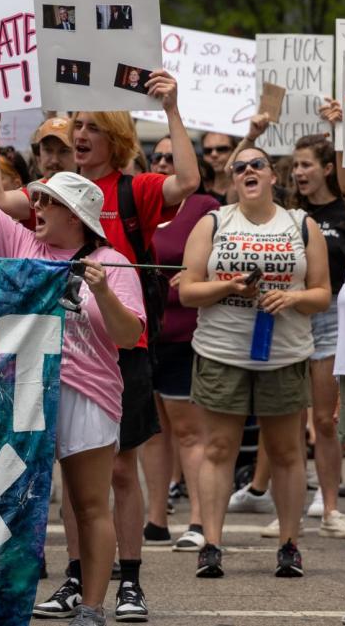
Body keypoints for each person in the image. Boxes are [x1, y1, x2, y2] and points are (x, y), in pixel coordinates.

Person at [0, 108, 144, 626]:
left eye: (48, 202)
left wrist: (103, 290)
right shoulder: (22, 244)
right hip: (25, 390)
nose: (36, 207)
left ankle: (94, 607)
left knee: (88, 504)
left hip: (86, 393)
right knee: (7, 503)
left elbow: (128, 337)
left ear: (75, 216)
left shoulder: (115, 264)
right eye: (36, 198)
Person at [38, 70, 198, 622]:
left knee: (121, 472)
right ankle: (78, 580)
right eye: (76, 125)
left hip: (122, 344)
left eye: (93, 128)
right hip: (67, 346)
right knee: (74, 479)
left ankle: (129, 580)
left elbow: (189, 181)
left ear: (117, 139)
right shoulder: (56, 189)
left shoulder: (137, 188)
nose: (80, 135)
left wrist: (172, 110)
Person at [180, 138, 330, 579]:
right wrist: (229, 287)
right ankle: (211, 544)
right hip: (221, 352)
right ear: (233, 180)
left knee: (285, 451)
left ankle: (289, 545)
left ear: (270, 175)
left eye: (256, 164)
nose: (247, 170)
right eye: (239, 166)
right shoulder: (212, 223)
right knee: (219, 448)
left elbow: (322, 294)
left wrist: (294, 296)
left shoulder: (301, 225)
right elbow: (189, 290)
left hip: (283, 355)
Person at [140, 137, 218, 554]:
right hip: (146, 330)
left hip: (186, 331)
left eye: (173, 157)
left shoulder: (204, 206)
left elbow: (220, 256)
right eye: (158, 157)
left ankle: (199, 520)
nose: (165, 162)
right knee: (153, 431)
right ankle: (155, 519)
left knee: (188, 430)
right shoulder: (145, 200)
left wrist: (193, 275)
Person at [290, 131, 345, 536]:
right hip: (290, 316)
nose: (298, 172)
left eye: (306, 164)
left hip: (330, 318)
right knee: (288, 419)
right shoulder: (288, 214)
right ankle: (288, 506)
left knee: (325, 421)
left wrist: (341, 129)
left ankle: (330, 508)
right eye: (294, 165)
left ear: (328, 168)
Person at [200, 132, 236, 202]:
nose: (214, 154)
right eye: (208, 150)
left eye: (221, 149)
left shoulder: (246, 187)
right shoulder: (194, 191)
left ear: (234, 151)